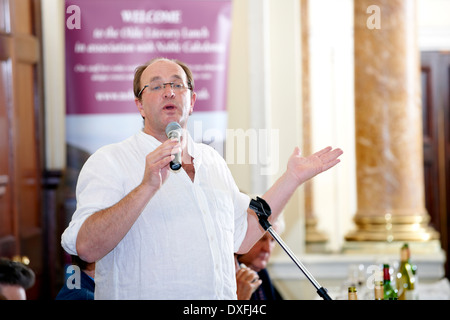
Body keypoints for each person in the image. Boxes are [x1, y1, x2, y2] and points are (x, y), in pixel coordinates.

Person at [61, 57, 343, 299]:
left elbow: (242, 237)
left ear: (192, 101)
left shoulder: (212, 161)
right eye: (156, 86)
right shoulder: (111, 160)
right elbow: (87, 247)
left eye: (177, 84)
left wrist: (291, 178)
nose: (169, 92)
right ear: (139, 105)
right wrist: (146, 187)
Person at [236, 219, 284, 300]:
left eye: (272, 240)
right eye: (262, 239)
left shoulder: (262, 273)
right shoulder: (234, 274)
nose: (267, 249)